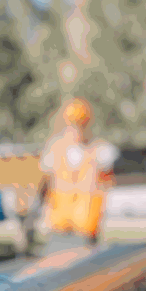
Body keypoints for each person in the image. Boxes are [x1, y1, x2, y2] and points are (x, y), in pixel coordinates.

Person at [37, 98, 117, 252]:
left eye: (80, 124)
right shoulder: (55, 150)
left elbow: (108, 183)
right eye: (72, 124)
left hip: (85, 229)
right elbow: (45, 185)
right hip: (59, 227)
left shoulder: (100, 152)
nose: (75, 129)